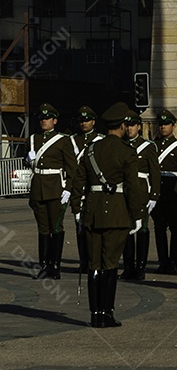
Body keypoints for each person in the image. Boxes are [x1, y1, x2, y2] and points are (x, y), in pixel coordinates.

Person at [70, 102, 148, 328]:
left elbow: (78, 183)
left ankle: (95, 314)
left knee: (94, 264)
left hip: (92, 213)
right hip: (117, 213)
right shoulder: (127, 152)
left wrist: (77, 209)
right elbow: (133, 188)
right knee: (111, 263)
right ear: (123, 125)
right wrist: (138, 214)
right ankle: (107, 312)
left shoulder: (91, 150)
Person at [26, 102, 76, 280]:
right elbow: (31, 163)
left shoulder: (63, 140)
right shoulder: (33, 139)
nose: (43, 121)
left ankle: (55, 265)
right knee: (43, 228)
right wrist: (27, 158)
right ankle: (44, 265)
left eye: (47, 118)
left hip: (56, 188)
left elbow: (72, 167)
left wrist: (68, 188)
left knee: (56, 227)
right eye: (41, 118)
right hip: (38, 187)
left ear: (55, 120)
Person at [120, 112, 160, 282]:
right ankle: (128, 266)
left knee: (142, 229)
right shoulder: (121, 146)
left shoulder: (147, 147)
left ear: (139, 127)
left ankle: (141, 267)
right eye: (127, 126)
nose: (129, 129)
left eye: (133, 125)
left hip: (142, 193)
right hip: (125, 191)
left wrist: (154, 195)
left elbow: (154, 173)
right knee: (127, 230)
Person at [152, 109, 177, 275]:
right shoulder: (153, 146)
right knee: (159, 228)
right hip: (157, 193)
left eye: (166, 124)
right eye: (160, 124)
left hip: (173, 193)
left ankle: (173, 261)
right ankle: (163, 261)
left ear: (173, 126)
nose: (163, 127)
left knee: (175, 228)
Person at [71, 106, 104, 274]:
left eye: (87, 120)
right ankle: (84, 261)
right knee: (80, 228)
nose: (83, 123)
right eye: (81, 121)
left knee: (94, 227)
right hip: (78, 188)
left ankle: (94, 260)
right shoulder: (72, 140)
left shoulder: (100, 140)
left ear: (93, 121)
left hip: (93, 188)